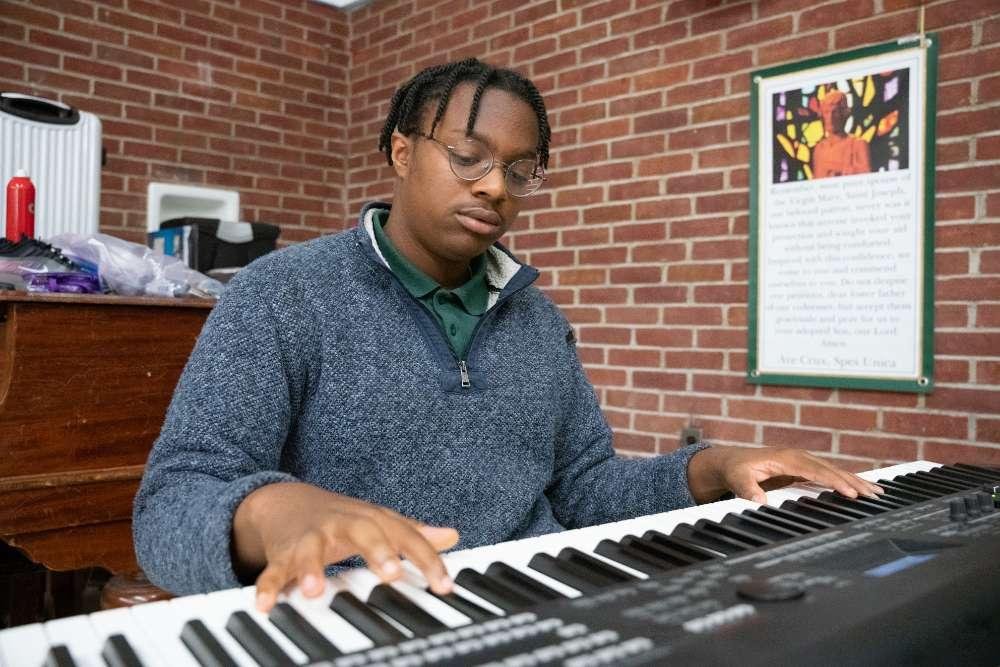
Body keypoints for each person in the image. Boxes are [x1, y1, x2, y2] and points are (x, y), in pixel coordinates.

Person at [133, 58, 882, 612]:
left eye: (521, 171)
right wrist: (272, 510)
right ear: (401, 152)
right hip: (352, 618)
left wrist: (711, 467)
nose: (495, 186)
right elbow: (168, 507)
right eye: (468, 158)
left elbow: (587, 488)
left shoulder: (537, 319)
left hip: (535, 609)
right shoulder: (283, 293)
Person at [811, 89, 871, 178]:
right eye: (826, 112)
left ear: (843, 114)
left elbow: (865, 178)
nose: (830, 118)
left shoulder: (857, 145)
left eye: (835, 112)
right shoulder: (819, 149)